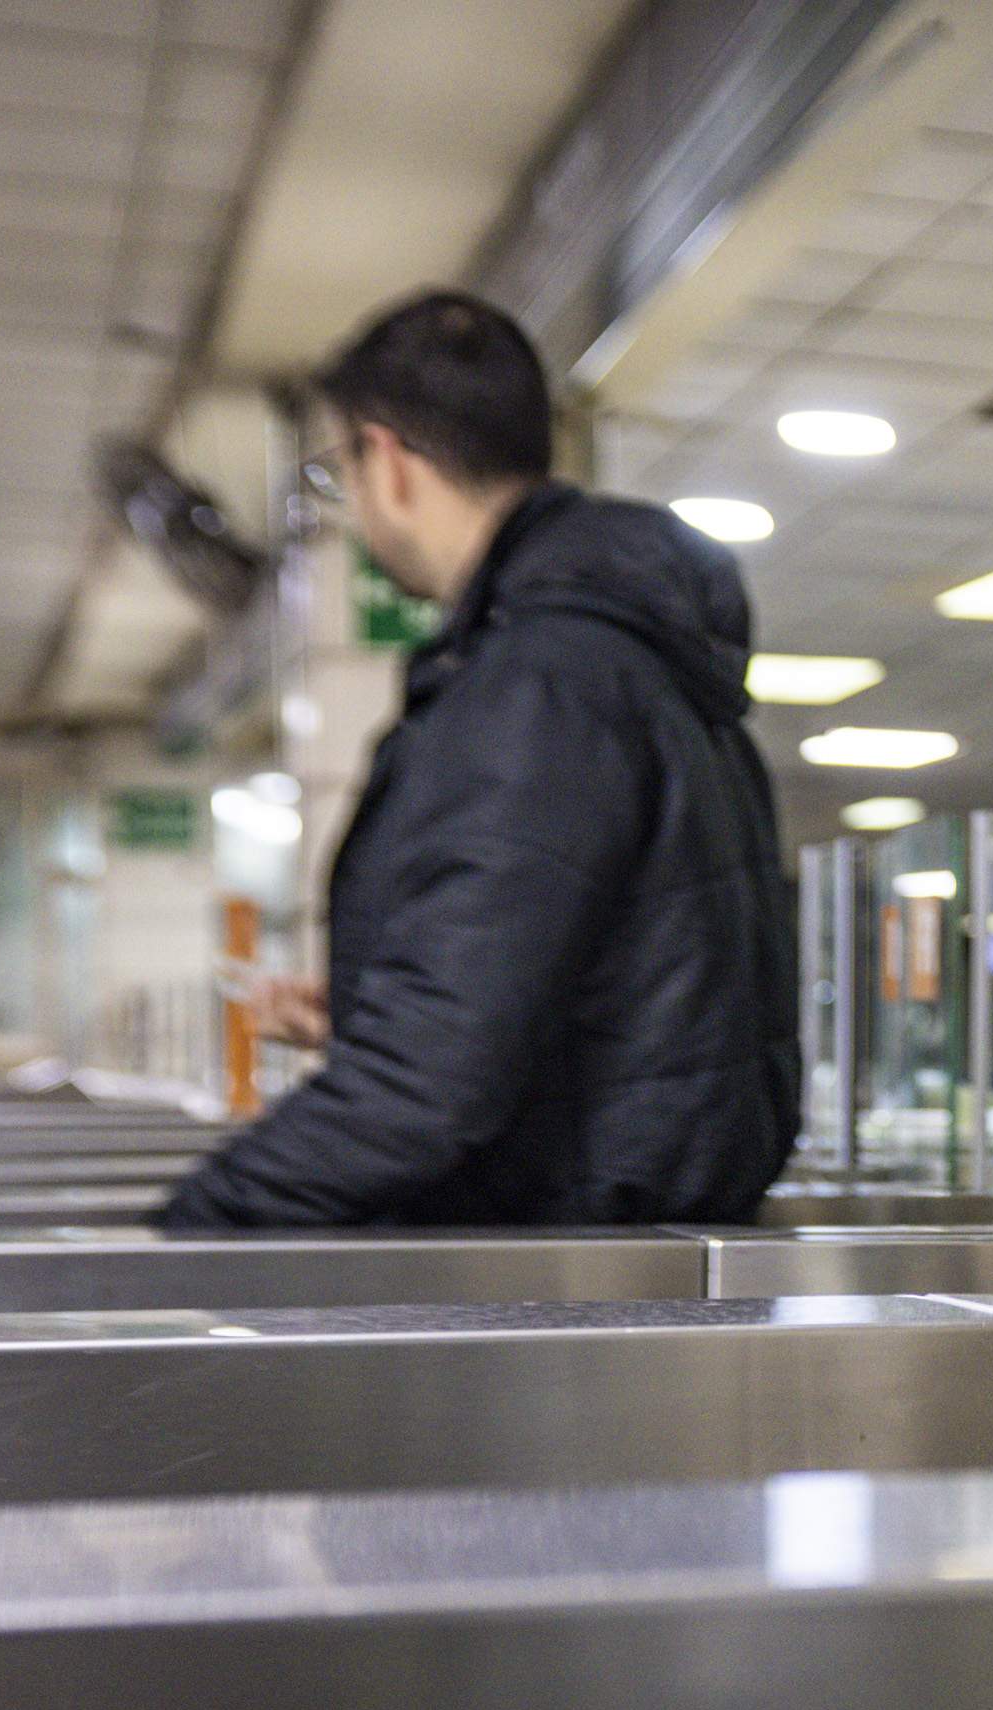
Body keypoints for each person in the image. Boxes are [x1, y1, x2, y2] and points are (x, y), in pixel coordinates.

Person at [162, 291, 799, 1228]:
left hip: (557, 1289)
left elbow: (425, 1094)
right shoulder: (634, 666)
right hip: (624, 1261)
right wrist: (389, 993)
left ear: (388, 461)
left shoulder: (542, 685)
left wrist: (185, 1235)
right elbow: (618, 989)